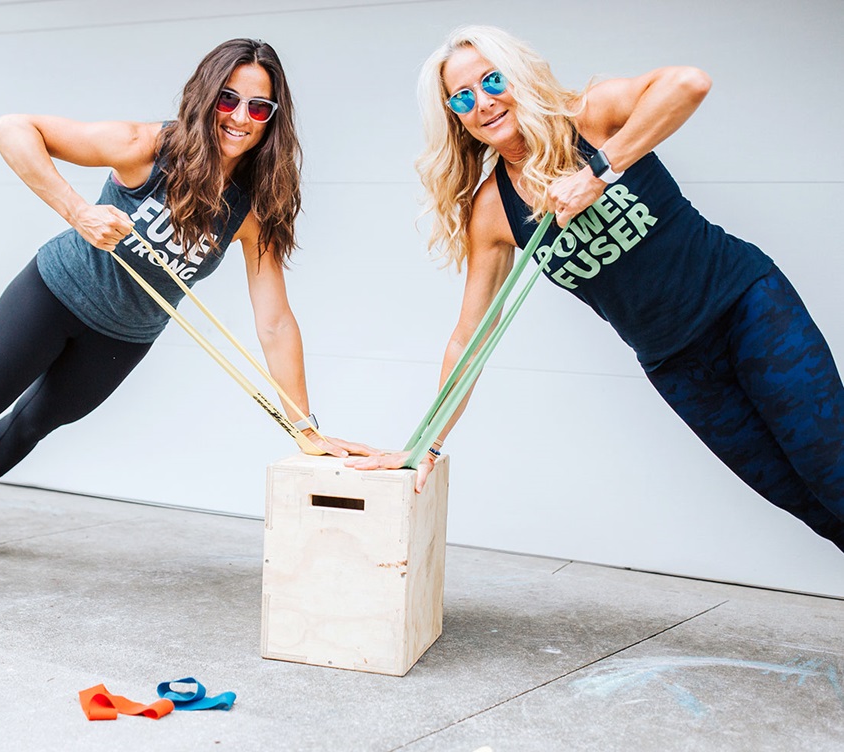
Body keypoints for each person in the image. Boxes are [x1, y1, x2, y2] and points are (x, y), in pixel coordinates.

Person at [348, 25, 844, 553]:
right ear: (456, 116)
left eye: (493, 81)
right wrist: (428, 442)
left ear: (517, 75)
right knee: (811, 504)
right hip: (679, 367)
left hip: (747, 308)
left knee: (834, 472)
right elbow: (471, 336)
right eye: (464, 97)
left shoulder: (591, 117)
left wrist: (599, 172)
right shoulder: (493, 210)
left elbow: (690, 83)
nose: (485, 102)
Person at [0, 38, 370, 563]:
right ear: (205, 97)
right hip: (53, 293)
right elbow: (10, 129)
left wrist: (303, 425)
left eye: (258, 107)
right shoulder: (146, 146)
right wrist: (78, 211)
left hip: (125, 334)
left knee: (38, 421)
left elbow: (274, 321)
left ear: (272, 118)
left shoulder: (251, 211)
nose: (240, 117)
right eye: (227, 100)